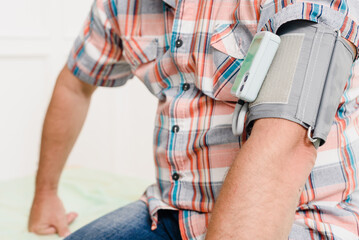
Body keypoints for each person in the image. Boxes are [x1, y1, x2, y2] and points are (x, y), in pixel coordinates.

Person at [28, 0, 359, 239]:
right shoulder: (119, 6)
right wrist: (46, 194)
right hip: (171, 211)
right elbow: (75, 84)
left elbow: (284, 147)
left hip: (298, 216)